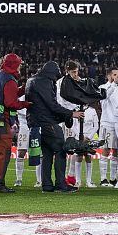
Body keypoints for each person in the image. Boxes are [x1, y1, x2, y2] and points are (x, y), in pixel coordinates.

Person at [28, 60, 83, 193]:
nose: (55, 77)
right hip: (46, 122)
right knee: (60, 149)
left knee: (47, 153)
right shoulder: (44, 82)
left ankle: (46, 185)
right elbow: (51, 104)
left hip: (35, 123)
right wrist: (71, 113)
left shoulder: (31, 80)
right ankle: (60, 184)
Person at [0, 52, 29, 194]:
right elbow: (10, 102)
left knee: (1, 151)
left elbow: (9, 94)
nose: (20, 67)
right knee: (5, 151)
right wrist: (26, 104)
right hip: (0, 120)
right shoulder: (9, 79)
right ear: (14, 65)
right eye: (19, 64)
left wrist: (23, 89)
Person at [98, 68, 118, 187]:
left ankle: (113, 179)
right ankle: (103, 179)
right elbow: (105, 97)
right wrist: (113, 84)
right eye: (115, 75)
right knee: (106, 149)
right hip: (107, 123)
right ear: (109, 76)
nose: (117, 77)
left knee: (117, 151)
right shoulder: (102, 87)